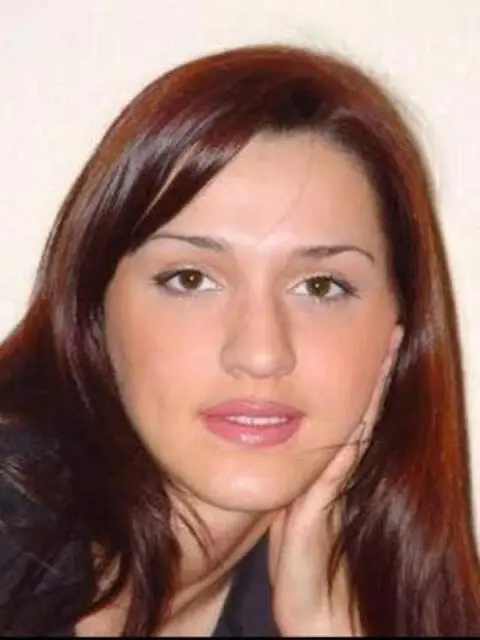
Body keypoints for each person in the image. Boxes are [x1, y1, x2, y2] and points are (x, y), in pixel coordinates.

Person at [0, 43, 479, 637]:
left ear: (398, 333)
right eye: (191, 279)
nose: (260, 353)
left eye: (320, 286)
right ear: (92, 310)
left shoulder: (392, 599)